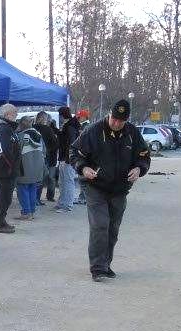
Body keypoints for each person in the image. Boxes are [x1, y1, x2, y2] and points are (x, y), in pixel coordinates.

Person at [70, 99, 150, 282]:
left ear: (126, 120)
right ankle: (97, 268)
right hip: (95, 186)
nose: (116, 123)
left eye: (121, 121)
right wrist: (83, 168)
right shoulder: (93, 131)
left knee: (113, 228)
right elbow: (74, 152)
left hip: (120, 189)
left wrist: (139, 169)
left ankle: (106, 264)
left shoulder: (132, 133)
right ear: (109, 114)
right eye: (114, 119)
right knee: (100, 225)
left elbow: (144, 156)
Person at [0, 103, 22, 234]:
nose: (16, 116)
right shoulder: (3, 128)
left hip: (9, 169)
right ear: (7, 114)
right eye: (14, 114)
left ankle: (2, 221)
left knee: (7, 197)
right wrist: (12, 165)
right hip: (5, 169)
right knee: (4, 197)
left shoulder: (8, 128)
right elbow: (3, 150)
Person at [15, 116, 44, 221]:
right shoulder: (39, 135)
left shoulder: (21, 136)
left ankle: (26, 213)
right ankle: (31, 211)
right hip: (37, 168)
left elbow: (16, 153)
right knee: (32, 188)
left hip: (24, 167)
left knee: (23, 189)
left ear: (22, 124)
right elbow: (43, 152)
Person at [55, 106, 80, 212]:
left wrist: (68, 158)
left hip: (67, 159)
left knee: (67, 181)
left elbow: (71, 143)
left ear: (62, 115)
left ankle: (67, 205)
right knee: (63, 181)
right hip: (65, 158)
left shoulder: (70, 126)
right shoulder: (69, 125)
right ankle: (62, 202)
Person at [33, 111, 59, 205]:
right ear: (44, 119)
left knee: (34, 177)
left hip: (32, 156)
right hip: (46, 156)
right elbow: (56, 144)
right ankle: (38, 199)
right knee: (43, 177)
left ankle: (34, 198)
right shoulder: (47, 129)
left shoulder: (32, 128)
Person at [73, 109, 91, 205]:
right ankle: (83, 197)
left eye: (80, 117)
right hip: (84, 154)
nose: (78, 118)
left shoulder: (86, 127)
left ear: (84, 117)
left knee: (84, 179)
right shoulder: (85, 126)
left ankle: (85, 198)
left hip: (84, 155)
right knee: (83, 179)